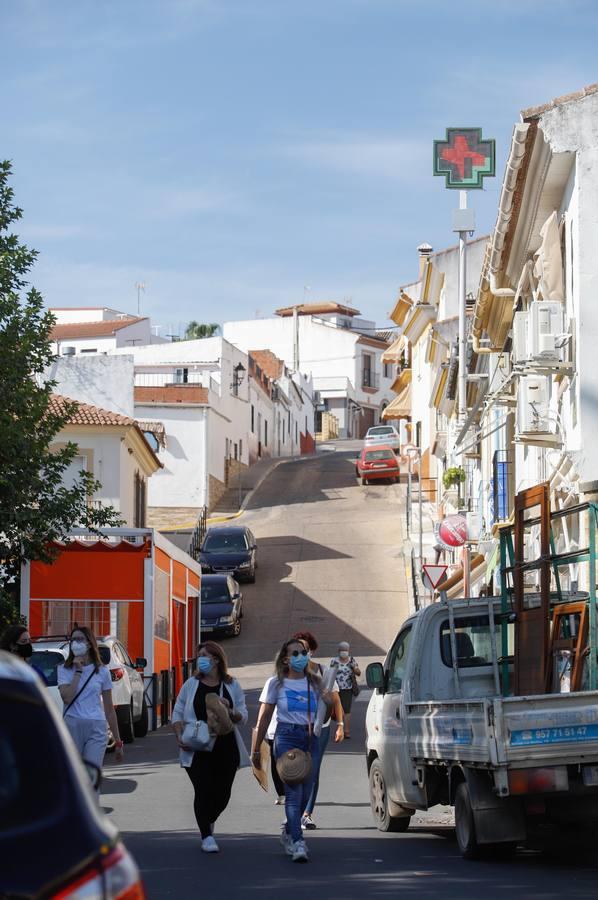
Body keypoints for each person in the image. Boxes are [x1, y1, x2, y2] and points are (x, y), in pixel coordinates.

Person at [252, 638, 332, 863]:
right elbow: (265, 715)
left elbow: (323, 717)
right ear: (285, 659)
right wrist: (257, 747)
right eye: (295, 653)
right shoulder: (276, 683)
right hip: (286, 736)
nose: (301, 656)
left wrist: (330, 703)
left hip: (310, 738)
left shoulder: (315, 682)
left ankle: (289, 828)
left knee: (307, 790)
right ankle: (298, 842)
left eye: (303, 652)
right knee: (294, 792)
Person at [172, 640, 249, 853]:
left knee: (223, 795)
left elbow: (243, 716)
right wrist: (179, 733)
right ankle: (206, 835)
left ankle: (208, 818)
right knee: (203, 790)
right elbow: (178, 711)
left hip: (225, 745)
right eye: (199, 655)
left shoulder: (231, 685)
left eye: (204, 655)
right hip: (196, 745)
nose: (200, 659)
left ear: (216, 659)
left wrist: (230, 711)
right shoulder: (191, 684)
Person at [291, 631, 344, 831]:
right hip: (296, 728)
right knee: (295, 770)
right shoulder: (290, 673)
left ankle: (306, 814)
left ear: (311, 651)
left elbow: (336, 699)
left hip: (320, 729)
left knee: (313, 770)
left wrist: (340, 725)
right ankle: (294, 809)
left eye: (305, 649)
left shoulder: (323, 671)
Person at [57, 625, 124, 771]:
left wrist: (118, 741)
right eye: (73, 640)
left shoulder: (102, 671)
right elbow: (67, 697)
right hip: (72, 725)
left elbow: (109, 709)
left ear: (89, 643)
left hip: (96, 726)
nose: (75, 643)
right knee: (75, 775)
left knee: (92, 775)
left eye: (79, 639)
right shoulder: (64, 669)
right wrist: (78, 672)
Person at [331, 641, 361, 739]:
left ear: (348, 651)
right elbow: (330, 675)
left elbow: (358, 673)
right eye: (342, 650)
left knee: (347, 710)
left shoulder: (352, 660)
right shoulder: (334, 661)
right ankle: (339, 730)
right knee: (338, 710)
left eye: (346, 650)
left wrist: (354, 668)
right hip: (336, 689)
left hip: (347, 688)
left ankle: (346, 731)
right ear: (338, 651)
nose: (344, 652)